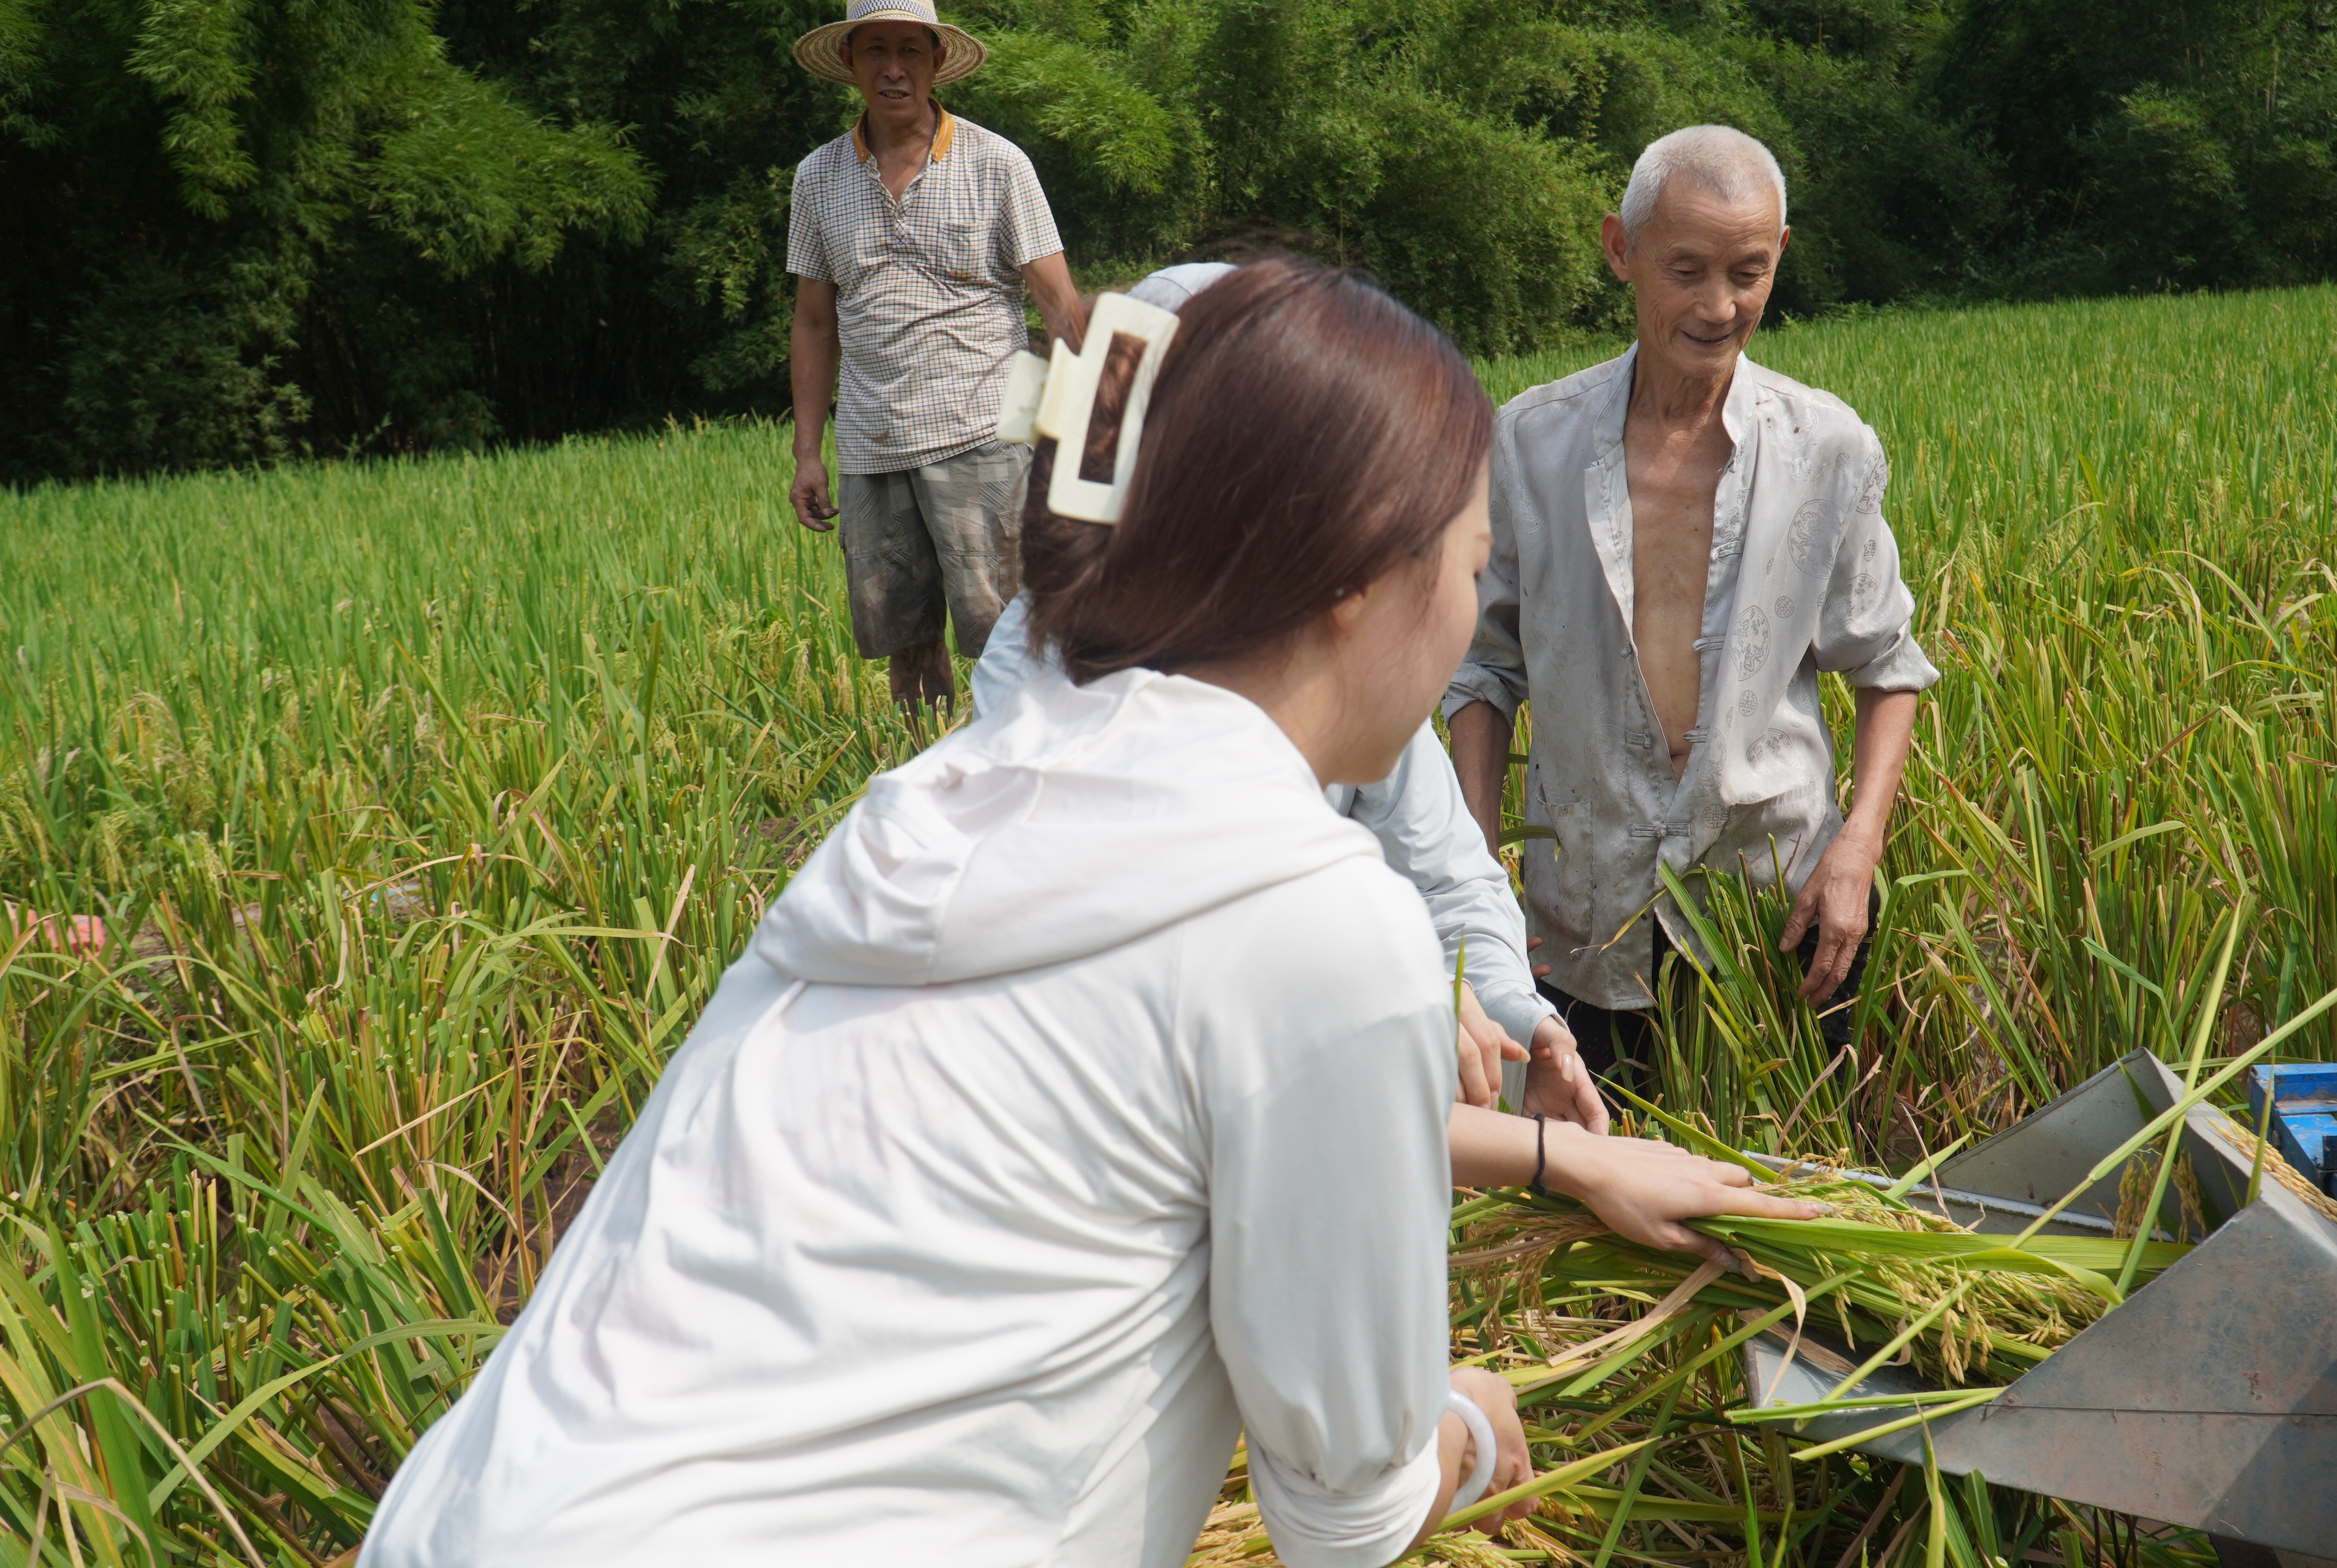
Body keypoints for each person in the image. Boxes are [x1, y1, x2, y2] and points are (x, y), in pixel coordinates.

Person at [361, 260, 1809, 1568]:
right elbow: (1348, 1517)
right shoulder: (1306, 915)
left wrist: (1561, 1160)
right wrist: (1473, 1427)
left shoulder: (931, 816)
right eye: (1475, 565)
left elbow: (1137, 1118)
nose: (1466, 617)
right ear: (1362, 581)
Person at [970, 260, 1603, 1128]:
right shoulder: (1042, 688)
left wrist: (1519, 1020)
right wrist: (1372, 982)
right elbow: (1139, 950)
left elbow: (1448, 878)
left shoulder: (1334, 673)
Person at [1446, 126, 1939, 1086]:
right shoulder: (1530, 443)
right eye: (1687, 271)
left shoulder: (1827, 449)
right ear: (1620, 251)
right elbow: (1483, 665)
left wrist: (1858, 849)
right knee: (1591, 1198)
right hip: (1581, 915)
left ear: (1780, 255)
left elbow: (1887, 665)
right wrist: (1472, 872)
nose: (1720, 307)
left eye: (1748, 273)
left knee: (1778, 1198)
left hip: (1775, 905)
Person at [783, 0, 1090, 723]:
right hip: (872, 442)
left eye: (911, 51)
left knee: (1012, 633)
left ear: (937, 61)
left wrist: (1086, 428)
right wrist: (807, 453)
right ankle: (921, 772)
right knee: (904, 638)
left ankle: (1021, 773)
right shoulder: (817, 178)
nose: (894, 69)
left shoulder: (997, 162)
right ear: (851, 63)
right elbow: (813, 320)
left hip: (984, 431)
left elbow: (1057, 301)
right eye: (876, 51)